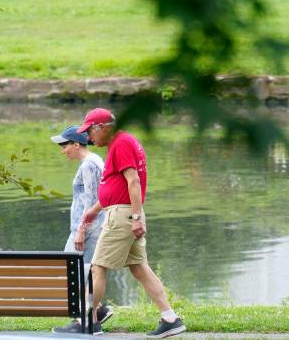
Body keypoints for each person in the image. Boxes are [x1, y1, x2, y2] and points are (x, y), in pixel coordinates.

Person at [58, 108, 186, 338]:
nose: (88, 137)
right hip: (120, 211)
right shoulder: (120, 143)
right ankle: (170, 318)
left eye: (90, 132)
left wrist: (136, 217)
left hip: (122, 215)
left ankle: (88, 322)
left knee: (98, 268)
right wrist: (93, 211)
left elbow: (133, 181)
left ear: (102, 127)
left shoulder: (121, 143)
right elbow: (115, 186)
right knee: (139, 268)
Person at [49, 126, 112, 334]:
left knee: (74, 273)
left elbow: (92, 201)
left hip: (87, 229)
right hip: (88, 228)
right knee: (79, 273)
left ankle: (83, 321)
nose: (62, 150)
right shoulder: (92, 162)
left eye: (65, 145)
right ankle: (97, 312)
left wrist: (81, 230)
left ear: (77, 144)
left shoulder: (89, 165)